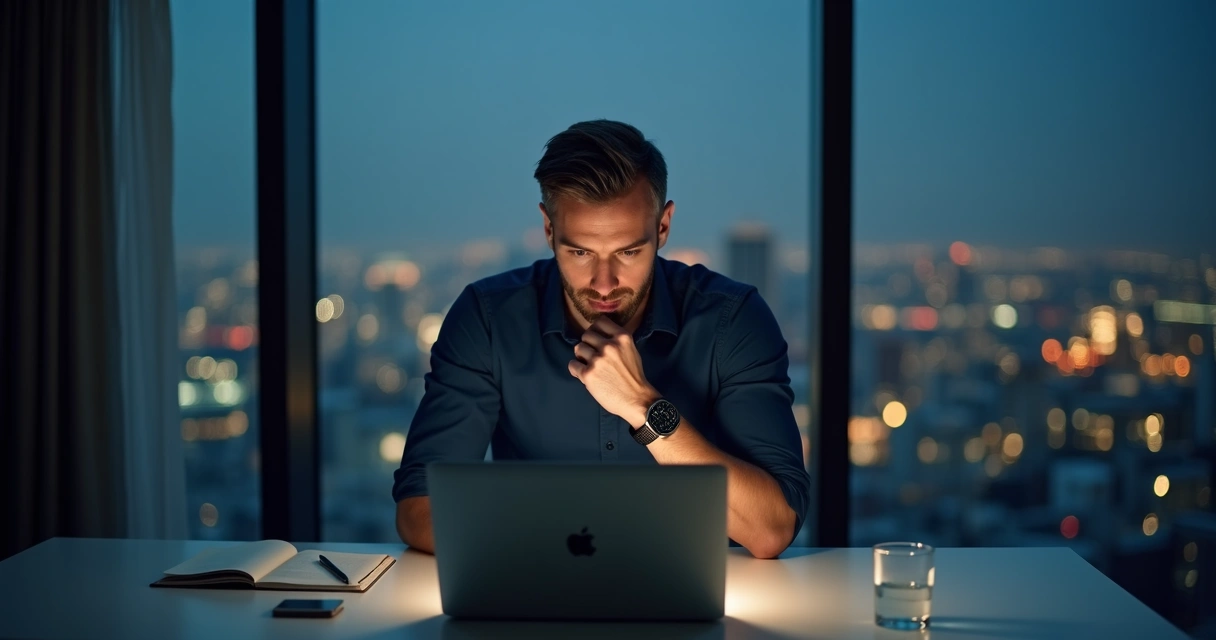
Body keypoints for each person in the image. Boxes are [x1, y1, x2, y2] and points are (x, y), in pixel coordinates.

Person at [392, 119, 810, 559]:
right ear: (549, 230)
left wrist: (644, 407)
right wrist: (566, 555)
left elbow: (772, 527)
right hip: (535, 591)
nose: (604, 283)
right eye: (580, 252)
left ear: (663, 226)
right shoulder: (488, 319)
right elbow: (419, 509)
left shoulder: (733, 319)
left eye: (628, 252)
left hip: (704, 596)